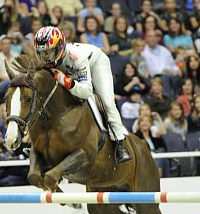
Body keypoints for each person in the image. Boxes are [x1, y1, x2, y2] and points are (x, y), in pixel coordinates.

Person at [34, 26, 132, 163]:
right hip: (70, 70)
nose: (45, 57)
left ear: (59, 47)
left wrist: (66, 81)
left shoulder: (77, 58)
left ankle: (119, 142)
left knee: (107, 101)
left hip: (95, 64)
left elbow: (86, 92)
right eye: (42, 53)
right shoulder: (45, 60)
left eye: (49, 52)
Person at [142, 30, 181, 97]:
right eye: (150, 36)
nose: (153, 38)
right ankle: (168, 99)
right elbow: (152, 71)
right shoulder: (144, 53)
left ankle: (178, 97)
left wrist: (177, 70)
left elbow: (173, 65)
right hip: (156, 77)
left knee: (179, 76)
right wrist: (165, 70)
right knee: (165, 78)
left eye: (154, 36)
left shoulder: (164, 50)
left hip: (170, 74)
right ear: (146, 39)